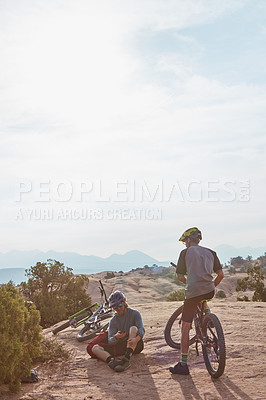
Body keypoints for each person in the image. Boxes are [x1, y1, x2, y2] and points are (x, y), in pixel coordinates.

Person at [169, 227, 224, 375]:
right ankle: (208, 318)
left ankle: (183, 364)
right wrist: (211, 285)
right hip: (210, 290)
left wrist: (188, 282)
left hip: (193, 292)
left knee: (185, 328)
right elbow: (220, 275)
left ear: (188, 240)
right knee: (204, 295)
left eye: (185, 241)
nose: (185, 244)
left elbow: (180, 276)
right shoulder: (211, 253)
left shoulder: (185, 253)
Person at [91, 290, 145, 372]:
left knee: (133, 328)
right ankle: (112, 362)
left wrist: (136, 339)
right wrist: (116, 337)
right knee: (95, 348)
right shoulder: (113, 321)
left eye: (120, 305)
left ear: (124, 303)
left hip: (136, 344)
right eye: (115, 307)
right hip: (121, 345)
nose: (118, 309)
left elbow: (141, 329)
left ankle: (126, 360)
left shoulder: (135, 313)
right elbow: (110, 341)